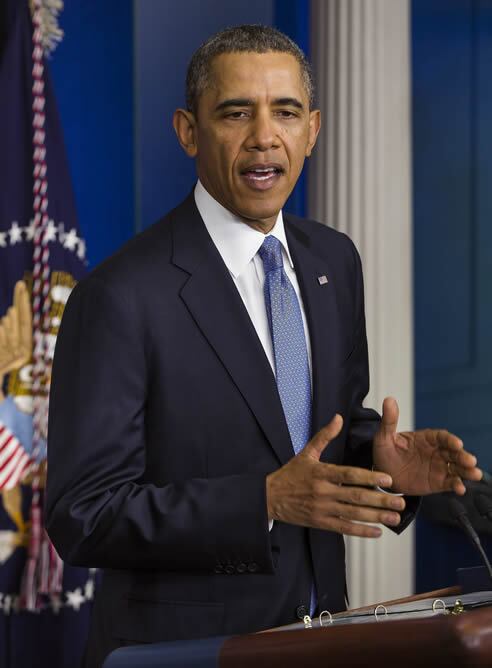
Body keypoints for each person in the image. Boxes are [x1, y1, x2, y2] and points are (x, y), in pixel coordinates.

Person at [46, 25, 482, 667]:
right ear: (188, 131)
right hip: (183, 653)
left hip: (325, 642)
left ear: (313, 130)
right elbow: (83, 513)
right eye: (235, 112)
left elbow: (314, 432)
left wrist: (385, 465)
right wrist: (264, 501)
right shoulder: (120, 296)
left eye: (286, 111)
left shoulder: (333, 259)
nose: (264, 135)